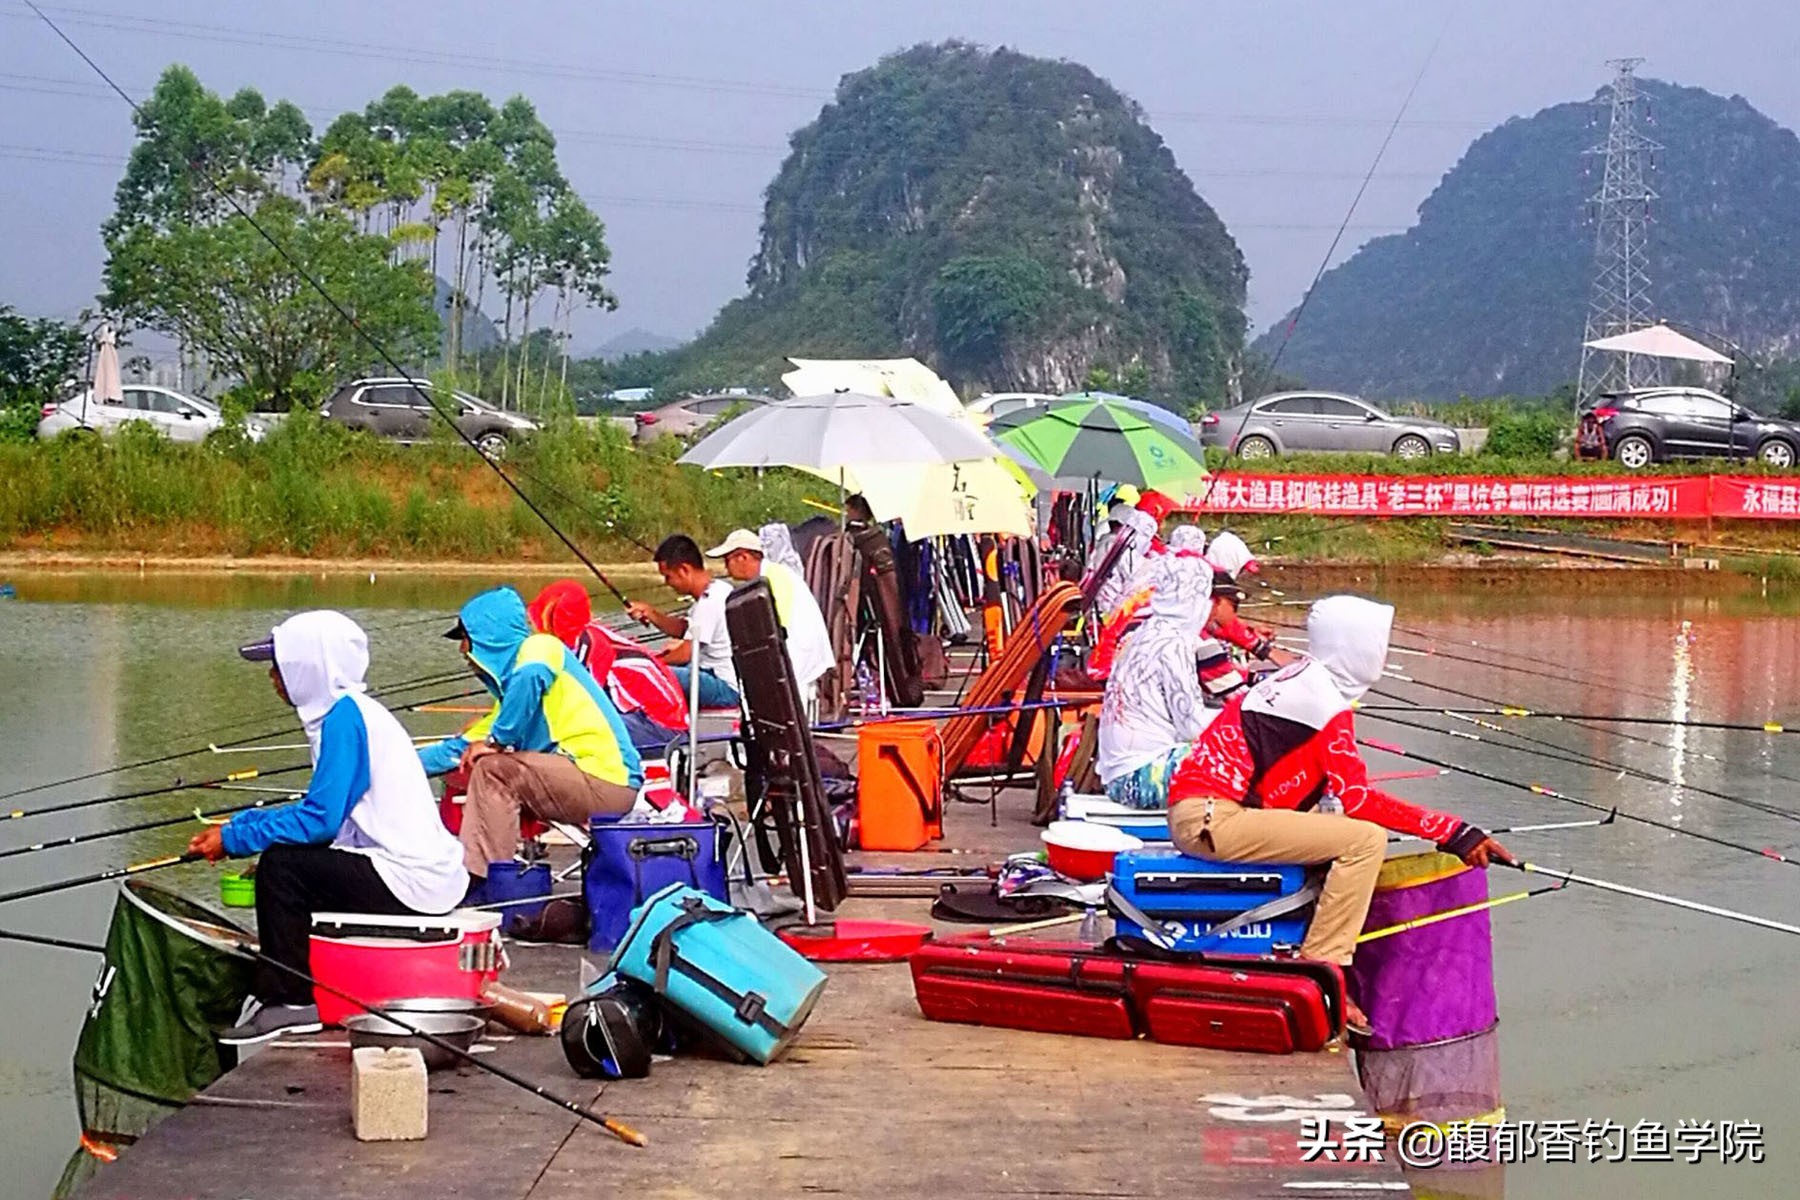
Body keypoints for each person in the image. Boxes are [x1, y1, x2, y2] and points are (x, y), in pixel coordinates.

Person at [1166, 595, 1510, 1032]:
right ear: (1354, 647)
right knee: (1364, 840)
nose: (1379, 656)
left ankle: (1311, 950)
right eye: (1375, 644)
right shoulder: (1324, 701)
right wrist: (1452, 830)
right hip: (1213, 818)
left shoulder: (1303, 678)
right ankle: (1322, 969)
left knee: (1346, 834)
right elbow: (1360, 800)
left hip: (1207, 814)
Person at [188, 611, 467, 1044]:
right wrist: (244, 828)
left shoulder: (344, 720)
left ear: (310, 667)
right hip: (419, 873)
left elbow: (319, 822)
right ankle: (284, 990)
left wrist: (235, 837)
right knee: (285, 860)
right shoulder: (352, 714)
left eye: (280, 666)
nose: (272, 676)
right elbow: (327, 816)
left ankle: (292, 1002)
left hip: (411, 880)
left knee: (283, 867)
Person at [419, 587, 643, 883]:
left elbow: (530, 677)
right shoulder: (509, 704)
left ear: (489, 638)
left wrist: (496, 743)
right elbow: (455, 750)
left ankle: (484, 879)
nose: (463, 652)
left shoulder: (541, 647)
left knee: (492, 770)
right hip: (582, 780)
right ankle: (486, 871)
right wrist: (385, 764)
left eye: (465, 640)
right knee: (480, 765)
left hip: (608, 779)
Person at [1096, 555, 1245, 809]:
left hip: (1118, 773)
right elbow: (1192, 726)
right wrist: (1241, 721)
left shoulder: (1146, 631)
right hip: (1141, 776)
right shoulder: (1175, 643)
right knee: (1243, 756)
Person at [526, 580, 687, 758]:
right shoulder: (584, 635)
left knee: (574, 728)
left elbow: (584, 700)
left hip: (664, 730)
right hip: (652, 720)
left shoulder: (592, 649)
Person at [707, 528, 833, 699]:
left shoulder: (774, 577)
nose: (725, 568)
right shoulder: (770, 574)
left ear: (743, 557)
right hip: (797, 659)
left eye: (727, 560)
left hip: (798, 660)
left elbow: (777, 625)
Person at [625, 535, 740, 709]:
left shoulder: (710, 602)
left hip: (722, 685)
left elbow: (687, 653)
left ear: (684, 570)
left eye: (668, 577)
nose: (667, 583)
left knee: (645, 674)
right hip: (707, 672)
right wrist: (651, 613)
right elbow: (683, 628)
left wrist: (650, 663)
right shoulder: (717, 590)